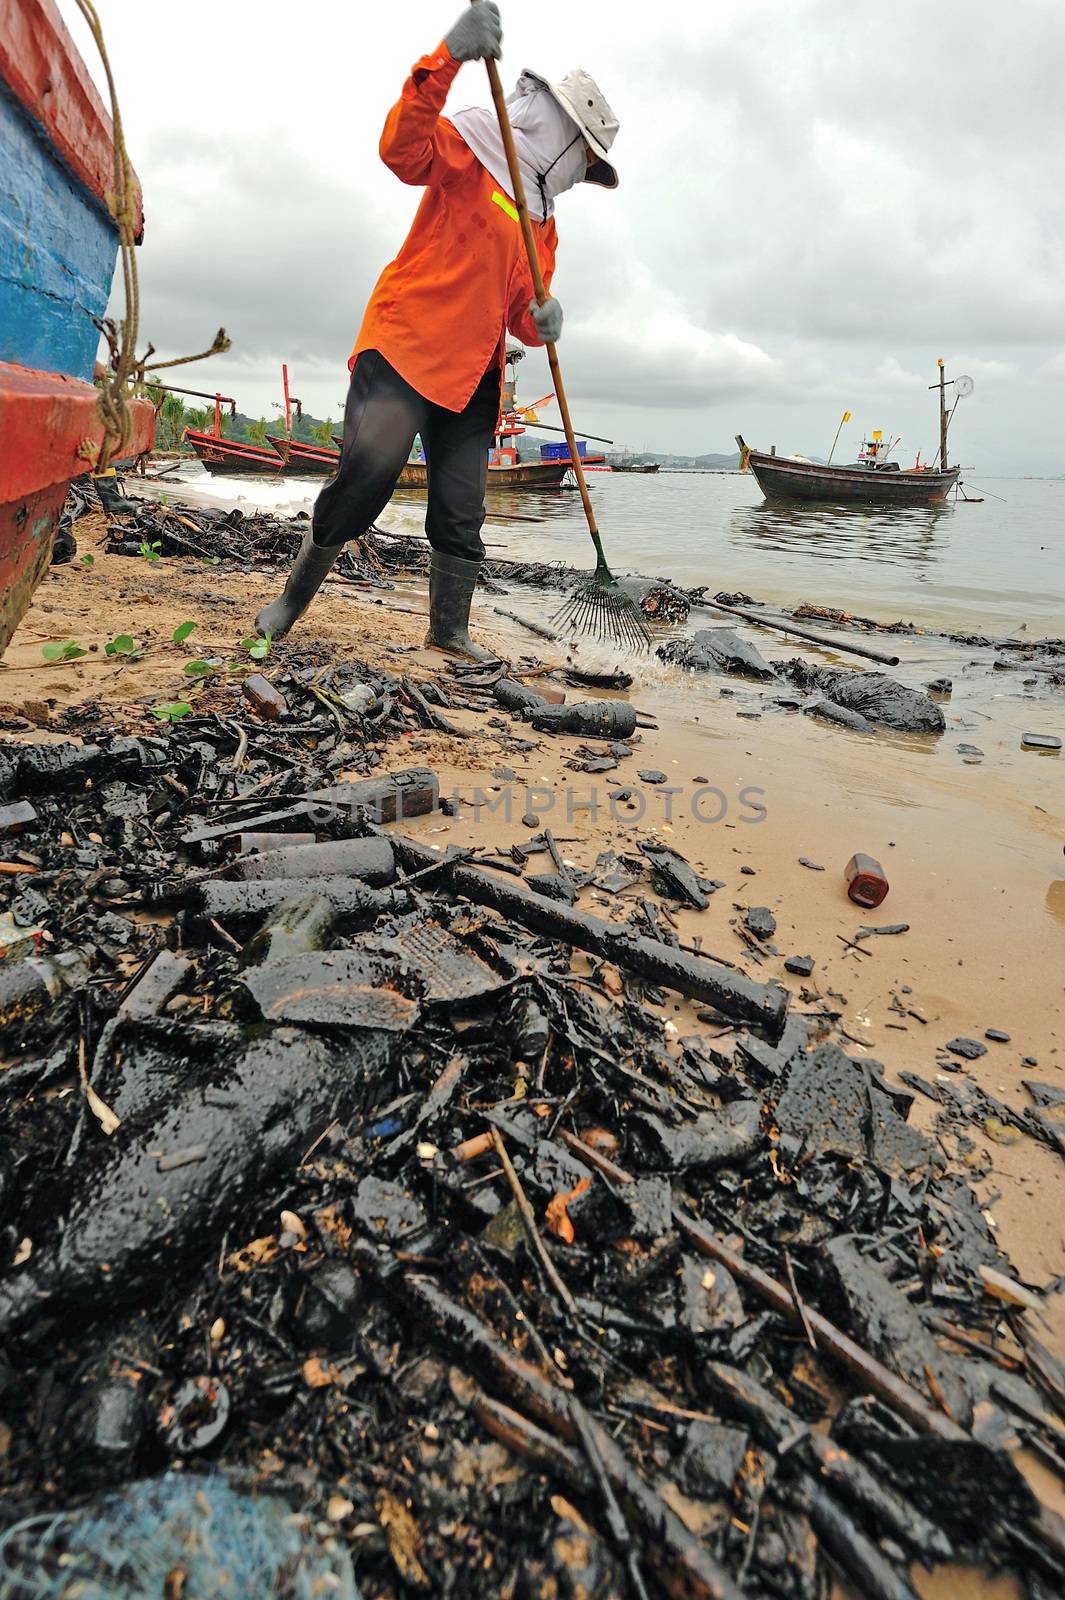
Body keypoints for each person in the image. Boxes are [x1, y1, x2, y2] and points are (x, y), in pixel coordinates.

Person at [256, 3, 619, 660]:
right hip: (404, 349)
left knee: (461, 509)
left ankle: (448, 633)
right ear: (562, 132)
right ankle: (288, 604)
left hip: (473, 373)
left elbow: (519, 313)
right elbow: (400, 150)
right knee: (366, 479)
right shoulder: (471, 147)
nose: (580, 173)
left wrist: (544, 321)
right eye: (584, 157)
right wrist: (447, 56)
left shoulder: (543, 221)